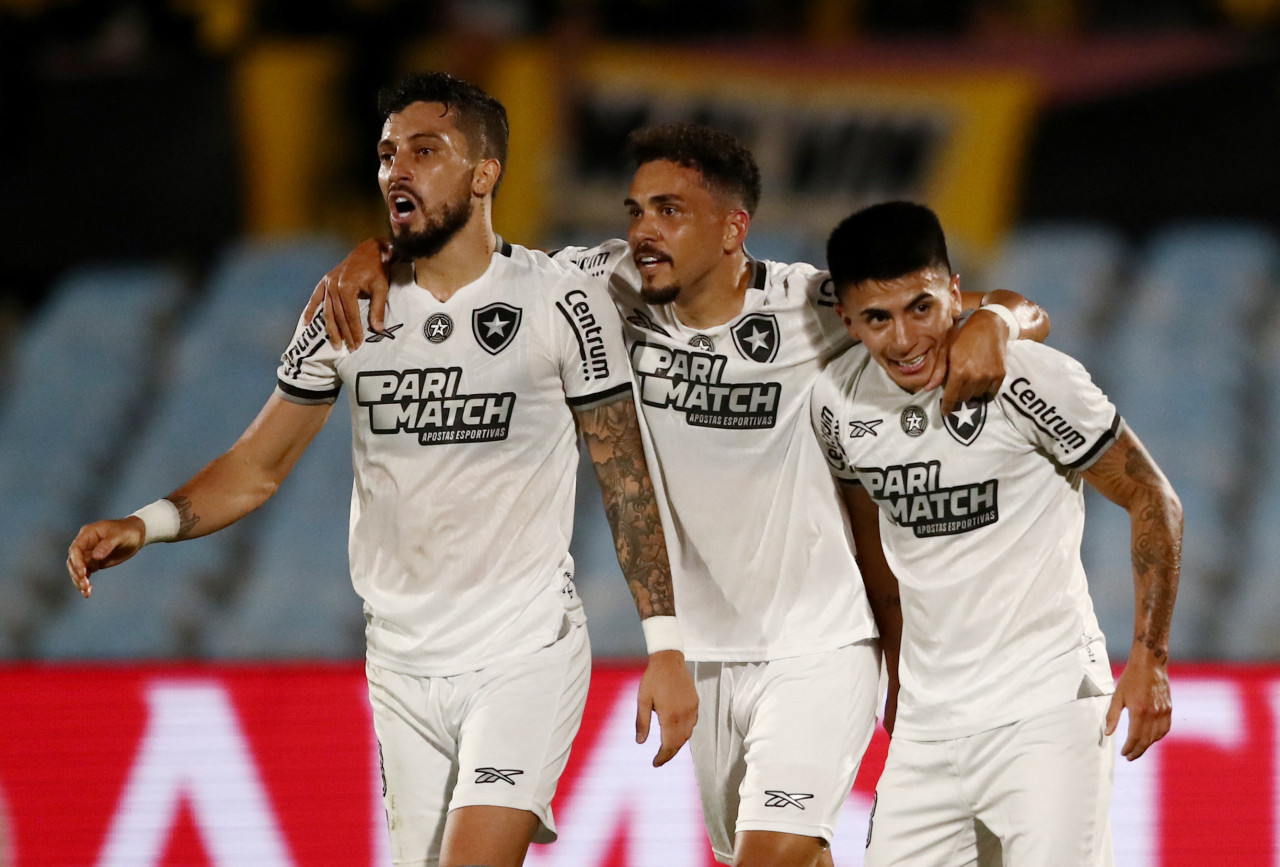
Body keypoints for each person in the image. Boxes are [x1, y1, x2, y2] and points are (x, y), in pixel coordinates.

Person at [308, 123, 1049, 867]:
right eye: (634, 211)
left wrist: (994, 321)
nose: (643, 231)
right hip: (705, 656)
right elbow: (476, 262)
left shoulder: (810, 305)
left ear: (734, 229)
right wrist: (376, 252)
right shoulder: (604, 291)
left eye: (669, 211)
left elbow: (1014, 307)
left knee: (774, 853)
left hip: (819, 645)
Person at [65, 72, 698, 867]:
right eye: (387, 153)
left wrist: (666, 645)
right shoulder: (345, 308)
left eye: (425, 152)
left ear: (484, 172)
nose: (398, 169)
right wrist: (144, 523)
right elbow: (257, 466)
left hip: (521, 651)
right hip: (399, 666)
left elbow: (625, 476)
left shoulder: (558, 300)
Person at [812, 201, 1181, 866]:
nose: (904, 339)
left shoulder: (1028, 376)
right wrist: (897, 675)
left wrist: (1148, 657)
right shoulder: (837, 403)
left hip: (1047, 708)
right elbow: (879, 557)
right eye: (877, 318)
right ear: (847, 319)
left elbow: (1153, 497)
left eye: (920, 307)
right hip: (928, 728)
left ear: (956, 291)